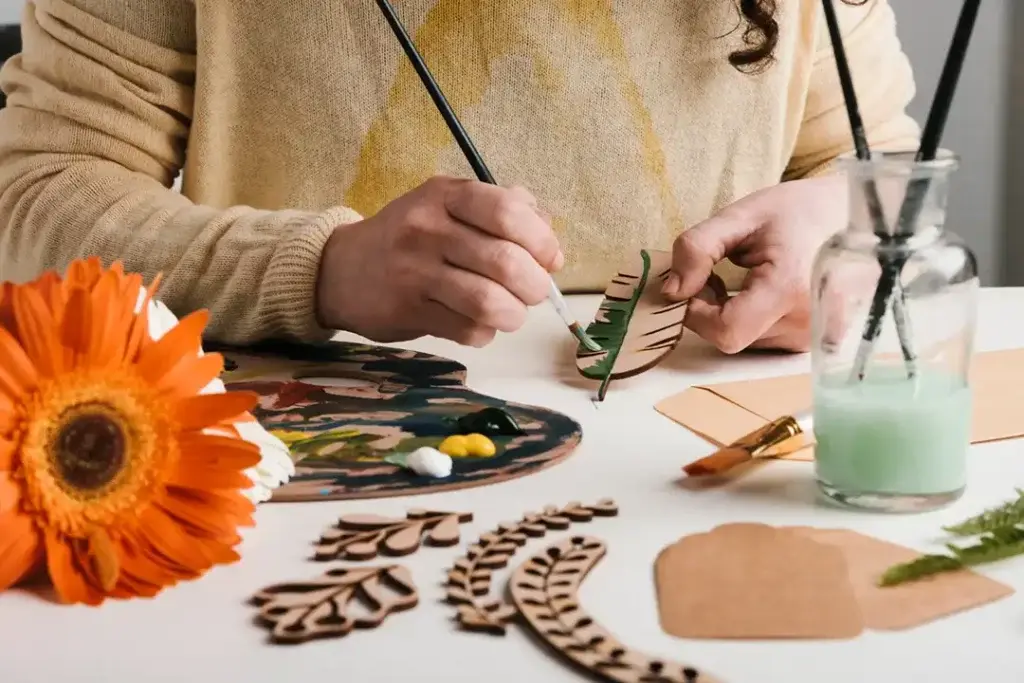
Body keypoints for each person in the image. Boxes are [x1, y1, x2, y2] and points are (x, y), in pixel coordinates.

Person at [0, 0, 918, 354]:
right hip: (307, 482)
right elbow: (36, 199)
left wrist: (849, 234)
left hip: (707, 483)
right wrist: (319, 271)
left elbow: (891, 171)